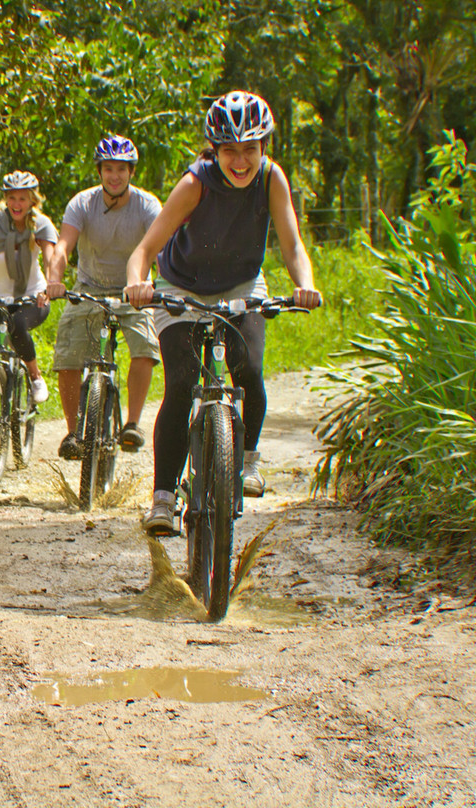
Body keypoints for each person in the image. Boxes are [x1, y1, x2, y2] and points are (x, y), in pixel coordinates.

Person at [124, 90, 322, 534]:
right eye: (229, 149)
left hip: (240, 284)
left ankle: (247, 460)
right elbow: (147, 247)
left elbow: (291, 244)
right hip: (181, 285)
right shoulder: (195, 183)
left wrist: (304, 284)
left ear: (263, 148)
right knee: (180, 383)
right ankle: (164, 497)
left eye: (249, 148)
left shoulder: (272, 179)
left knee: (248, 368)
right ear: (214, 150)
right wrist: (137, 282)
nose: (240, 160)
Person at [45, 135, 162, 459]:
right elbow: (64, 247)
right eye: (108, 169)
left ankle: (132, 425)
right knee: (67, 356)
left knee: (145, 347)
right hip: (89, 288)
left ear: (131, 172)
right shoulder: (82, 203)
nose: (115, 176)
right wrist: (54, 279)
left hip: (134, 288)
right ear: (99, 171)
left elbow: (161, 248)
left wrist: (159, 285)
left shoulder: (147, 205)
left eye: (121, 169)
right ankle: (73, 433)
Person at [0, 170, 57, 403]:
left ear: (32, 200)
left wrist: (50, 286)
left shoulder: (41, 224)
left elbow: (49, 260)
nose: (17, 204)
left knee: (17, 324)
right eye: (12, 198)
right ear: (6, 198)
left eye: (23, 198)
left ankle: (36, 376)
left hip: (31, 298)